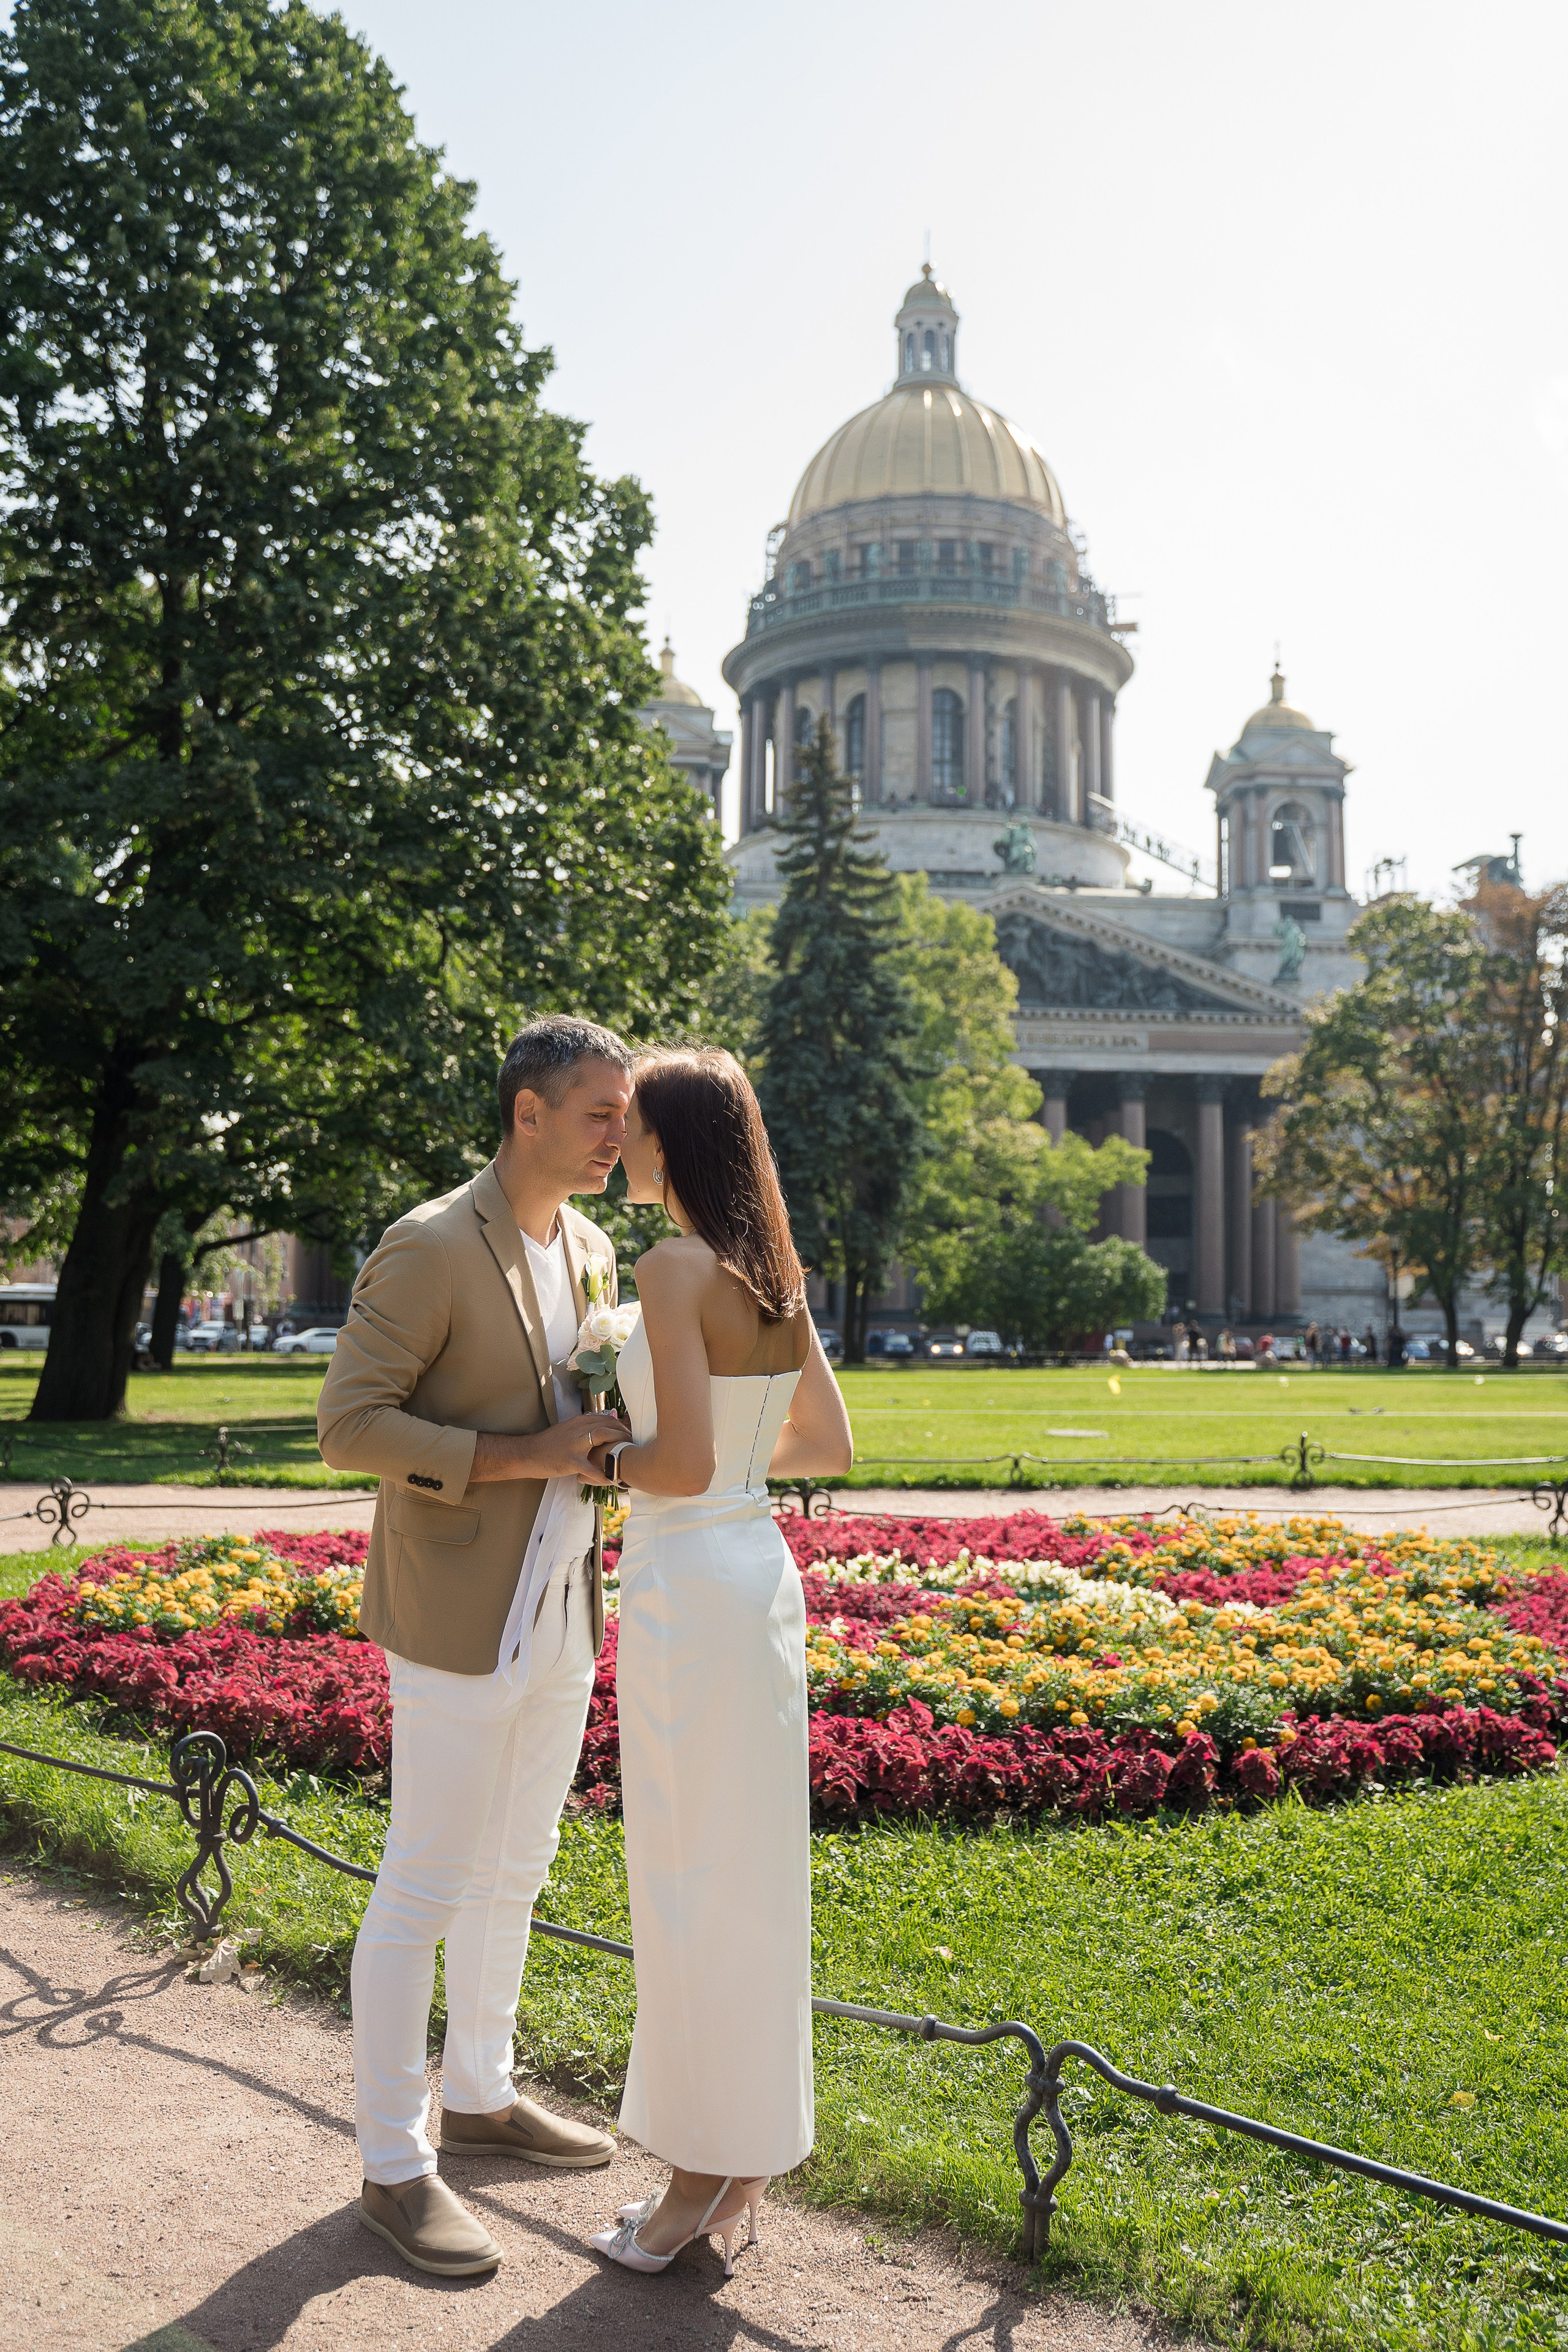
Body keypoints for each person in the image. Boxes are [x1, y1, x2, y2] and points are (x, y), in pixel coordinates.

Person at [316, 1017, 636, 2279]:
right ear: (529, 1114)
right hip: (458, 1612)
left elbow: (578, 1416)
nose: (621, 1133)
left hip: (564, 1602)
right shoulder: (432, 1244)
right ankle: (395, 2166)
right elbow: (349, 1427)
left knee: (520, 1862)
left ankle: (483, 2092)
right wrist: (521, 1460)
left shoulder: (598, 1247)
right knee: (426, 1881)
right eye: (602, 1112)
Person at [586, 1049, 853, 2278]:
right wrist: (725, 1471)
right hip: (754, 1576)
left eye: (629, 1125)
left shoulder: (669, 1267)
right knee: (745, 1877)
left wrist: (599, 1454)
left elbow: (675, 1464)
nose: (617, 1146)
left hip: (692, 1583)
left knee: (691, 1879)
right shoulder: (768, 1273)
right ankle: (737, 2157)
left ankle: (699, 2179)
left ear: (671, 1140)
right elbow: (828, 1445)